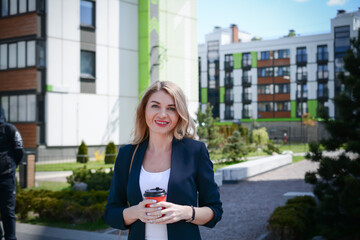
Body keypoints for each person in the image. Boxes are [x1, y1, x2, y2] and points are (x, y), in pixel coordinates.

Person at [105, 81, 222, 240]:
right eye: (155, 106)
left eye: (171, 108)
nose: (162, 114)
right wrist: (136, 212)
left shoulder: (195, 152)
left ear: (179, 114)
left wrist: (185, 212)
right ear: (144, 110)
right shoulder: (127, 154)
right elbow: (111, 213)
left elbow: (215, 211)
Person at [0, 108, 24, 240]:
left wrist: (11, 167)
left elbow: (19, 150)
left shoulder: (10, 129)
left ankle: (10, 238)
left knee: (7, 211)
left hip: (6, 178)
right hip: (7, 174)